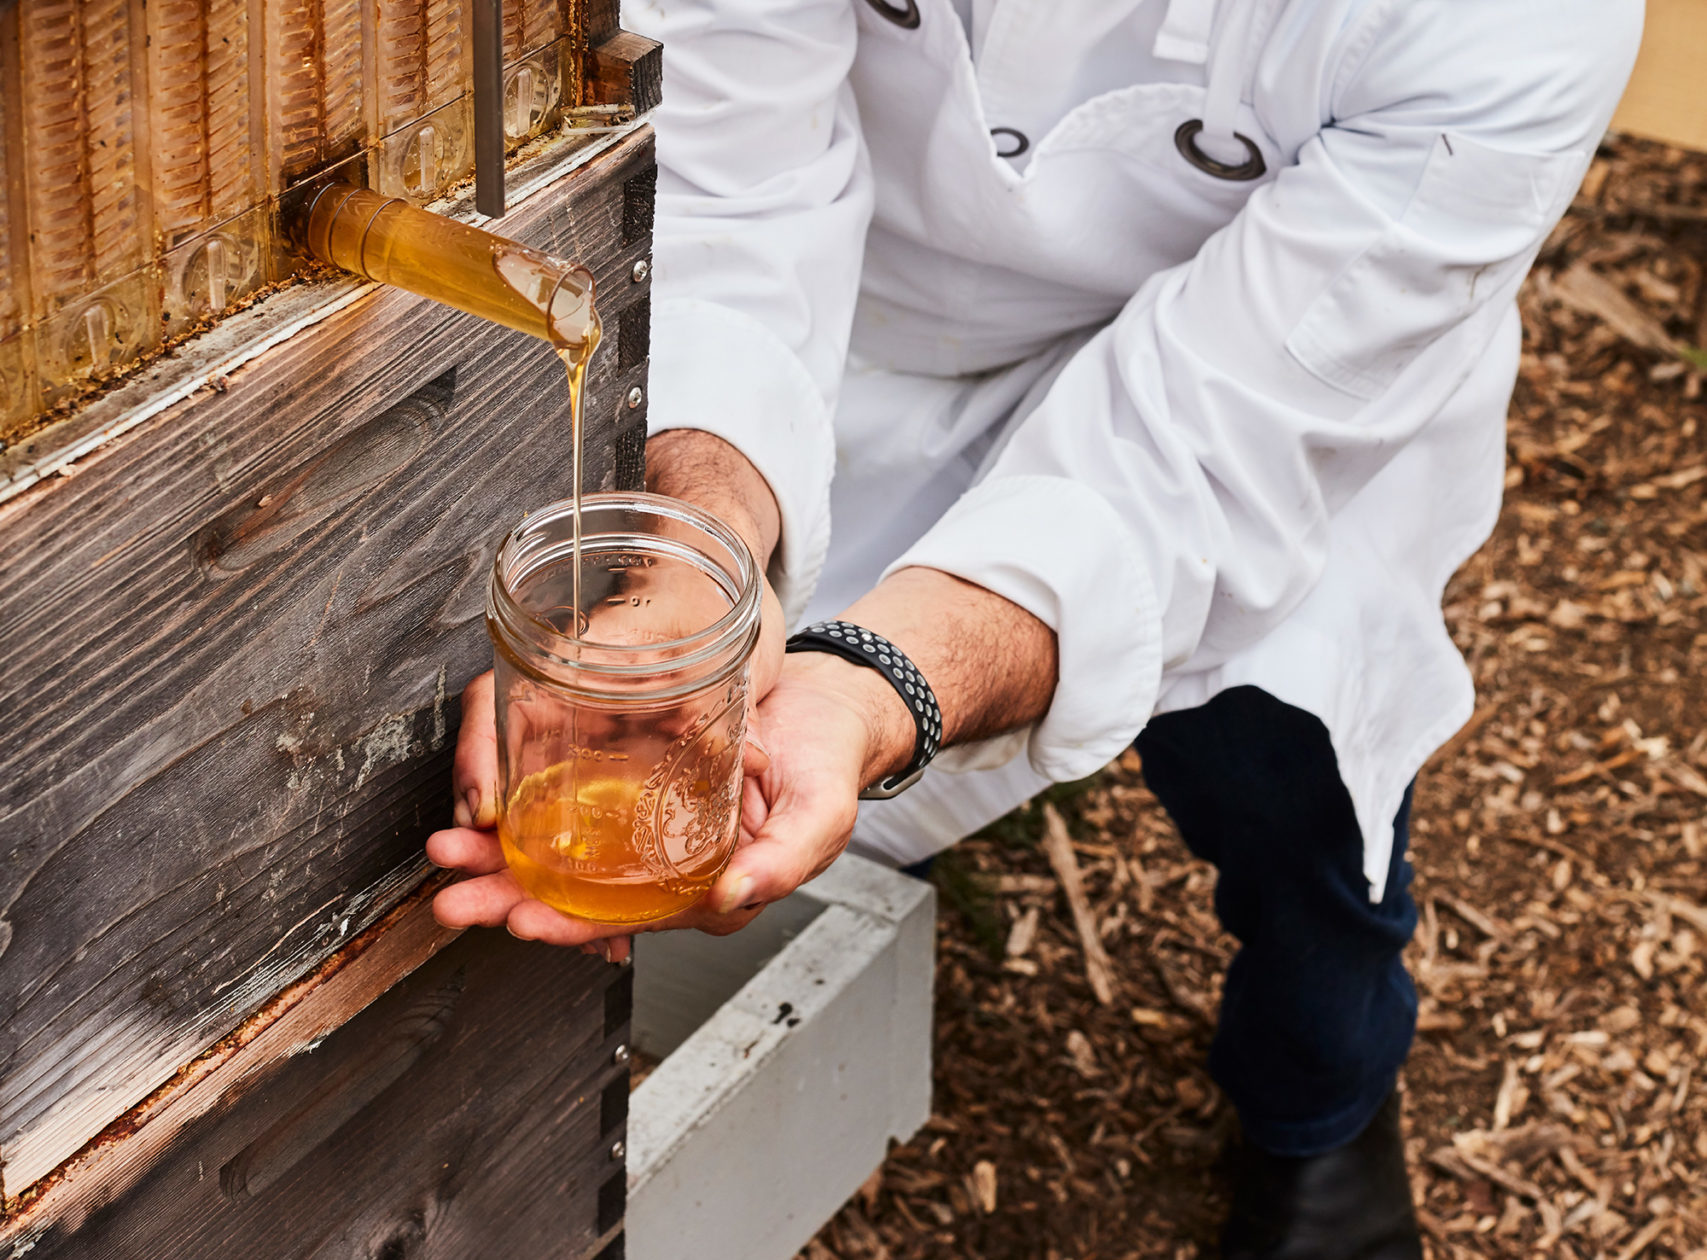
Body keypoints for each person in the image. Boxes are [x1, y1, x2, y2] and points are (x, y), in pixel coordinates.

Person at [428, 1, 1643, 1254]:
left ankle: (1322, 1102)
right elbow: (730, 185)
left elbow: (1199, 455)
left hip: (1270, 374)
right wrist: (705, 561)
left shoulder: (1516, 22)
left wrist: (872, 683)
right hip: (841, 330)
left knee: (1295, 794)